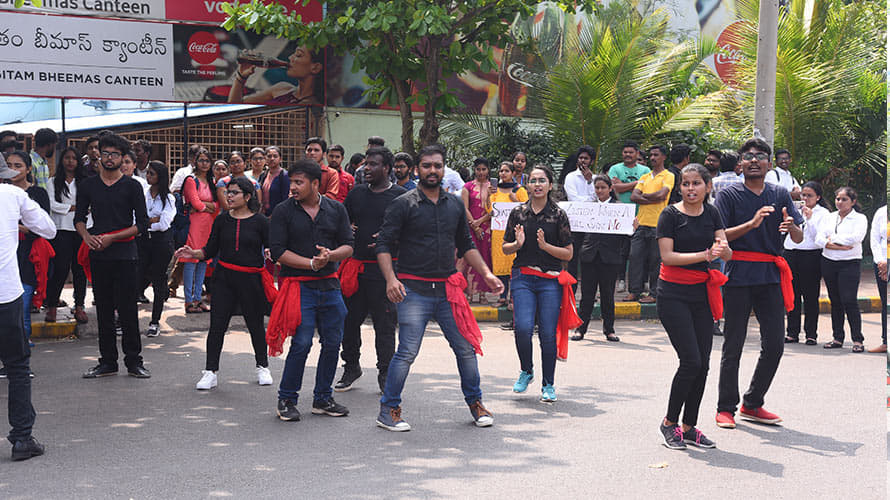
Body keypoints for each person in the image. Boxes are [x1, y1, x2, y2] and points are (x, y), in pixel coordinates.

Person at [374, 144, 503, 432]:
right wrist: (391, 280)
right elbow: (383, 244)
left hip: (448, 291)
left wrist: (486, 273)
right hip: (413, 291)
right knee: (406, 352)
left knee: (465, 349)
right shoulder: (403, 203)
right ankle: (389, 409)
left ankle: (476, 403)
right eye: (427, 165)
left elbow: (466, 245)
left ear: (444, 169)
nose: (433, 170)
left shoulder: (456, 204)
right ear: (418, 168)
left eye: (438, 165)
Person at [714, 137, 803, 429]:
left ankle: (752, 403)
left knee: (775, 344)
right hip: (738, 272)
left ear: (768, 163)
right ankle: (725, 407)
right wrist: (751, 224)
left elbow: (798, 235)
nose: (754, 160)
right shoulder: (728, 194)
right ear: (740, 164)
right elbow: (721, 235)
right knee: (734, 344)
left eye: (760, 155)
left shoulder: (780, 193)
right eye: (748, 156)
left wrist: (791, 227)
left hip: (770, 275)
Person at [269, 160, 354, 422]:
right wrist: (310, 263)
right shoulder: (283, 211)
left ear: (316, 184)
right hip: (298, 287)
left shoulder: (336, 209)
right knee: (302, 343)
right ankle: (287, 399)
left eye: (299, 182)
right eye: (292, 182)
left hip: (330, 286)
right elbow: (278, 251)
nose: (293, 187)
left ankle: (322, 398)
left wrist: (329, 257)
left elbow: (349, 245)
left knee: (332, 342)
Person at [656, 164, 730, 450]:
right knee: (691, 361)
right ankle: (669, 423)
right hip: (672, 294)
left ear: (707, 186)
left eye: (696, 183)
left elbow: (725, 250)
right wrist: (704, 254)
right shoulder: (670, 214)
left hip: (702, 294)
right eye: (685, 184)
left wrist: (724, 250)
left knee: (703, 365)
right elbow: (668, 256)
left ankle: (689, 427)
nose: (690, 189)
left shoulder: (712, 213)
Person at [175, 177, 274, 390]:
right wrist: (193, 252)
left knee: (255, 325)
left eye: (235, 193)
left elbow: (272, 246)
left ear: (247, 197)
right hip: (224, 279)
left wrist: (271, 252)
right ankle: (210, 372)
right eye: (228, 192)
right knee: (217, 326)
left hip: (251, 280)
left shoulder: (260, 222)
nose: (229, 196)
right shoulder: (221, 220)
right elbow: (210, 250)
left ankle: (262, 366)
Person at [75, 132, 151, 379]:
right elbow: (79, 219)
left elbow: (141, 224)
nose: (108, 158)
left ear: (123, 157)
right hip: (98, 254)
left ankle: (134, 361)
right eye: (104, 153)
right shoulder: (88, 185)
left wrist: (112, 237)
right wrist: (87, 237)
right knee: (104, 310)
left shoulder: (132, 186)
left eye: (114, 154)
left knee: (128, 309)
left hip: (126, 253)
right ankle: (107, 362)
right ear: (98, 156)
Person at [335, 147, 407, 393]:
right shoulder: (356, 194)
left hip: (385, 272)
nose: (366, 168)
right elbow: (341, 221)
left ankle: (385, 372)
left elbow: (413, 230)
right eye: (366, 164)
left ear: (386, 168)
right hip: (355, 268)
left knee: (384, 325)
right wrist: (348, 230)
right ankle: (351, 366)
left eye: (373, 164)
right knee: (348, 321)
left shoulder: (401, 196)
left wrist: (394, 239)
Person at [502, 165, 575, 402]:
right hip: (523, 277)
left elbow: (568, 254)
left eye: (542, 180)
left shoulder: (558, 214)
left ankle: (548, 384)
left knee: (546, 333)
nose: (537, 185)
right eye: (533, 181)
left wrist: (546, 248)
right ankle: (526, 370)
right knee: (522, 328)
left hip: (550, 281)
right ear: (528, 185)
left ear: (550, 185)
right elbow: (505, 247)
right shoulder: (518, 212)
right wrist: (517, 245)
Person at [0, 154, 55, 461]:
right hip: (5, 295)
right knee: (18, 367)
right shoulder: (12, 194)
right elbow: (48, 229)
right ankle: (22, 439)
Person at [6, 151, 51, 350]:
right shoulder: (3, 192)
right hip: (6, 255)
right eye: (9, 165)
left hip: (28, 255)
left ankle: (21, 355)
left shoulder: (38, 194)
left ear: (29, 169)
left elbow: (42, 229)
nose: (13, 170)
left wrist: (16, 226)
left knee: (22, 306)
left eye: (18, 166)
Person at [816, 187, 868, 352]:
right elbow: (818, 238)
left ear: (853, 201)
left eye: (844, 199)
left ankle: (858, 340)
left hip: (849, 262)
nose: (840, 202)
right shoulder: (829, 217)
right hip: (829, 261)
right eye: (838, 199)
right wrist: (835, 245)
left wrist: (831, 239)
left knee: (849, 300)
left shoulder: (860, 218)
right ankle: (837, 338)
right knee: (835, 301)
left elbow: (856, 238)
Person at [573, 175, 624, 342]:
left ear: (610, 188)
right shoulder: (589, 207)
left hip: (610, 257)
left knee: (608, 295)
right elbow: (579, 233)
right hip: (589, 256)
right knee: (587, 295)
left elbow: (626, 235)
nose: (600, 191)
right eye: (597, 188)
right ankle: (580, 329)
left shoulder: (619, 208)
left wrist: (633, 227)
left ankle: (609, 330)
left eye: (603, 187)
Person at [45, 147, 89, 325]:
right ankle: (52, 306)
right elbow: (52, 204)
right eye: (67, 158)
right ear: (62, 160)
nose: (70, 161)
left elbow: (89, 204)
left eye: (74, 158)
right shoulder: (53, 181)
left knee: (80, 269)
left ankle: (79, 306)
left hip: (81, 229)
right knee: (60, 269)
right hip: (61, 229)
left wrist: (77, 209)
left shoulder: (84, 182)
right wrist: (73, 207)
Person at [627, 144, 674, 303]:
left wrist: (644, 197)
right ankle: (634, 291)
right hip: (640, 223)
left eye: (656, 155)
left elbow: (663, 195)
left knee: (655, 260)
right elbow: (633, 196)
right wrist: (652, 198)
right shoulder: (645, 176)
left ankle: (654, 294)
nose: (653, 158)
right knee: (635, 258)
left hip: (659, 224)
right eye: (651, 155)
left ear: (664, 157)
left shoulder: (668, 176)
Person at [783, 181, 830, 344]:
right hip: (791, 252)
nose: (805, 198)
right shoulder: (794, 209)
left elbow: (819, 237)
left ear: (818, 197)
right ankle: (792, 332)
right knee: (792, 294)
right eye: (803, 195)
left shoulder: (823, 213)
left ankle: (811, 333)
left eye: (809, 195)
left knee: (810, 295)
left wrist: (809, 219)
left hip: (811, 254)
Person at [180, 148, 219, 314]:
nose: (204, 164)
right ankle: (189, 301)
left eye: (207, 161)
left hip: (207, 224)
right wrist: (207, 207)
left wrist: (206, 207)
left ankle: (198, 299)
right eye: (201, 160)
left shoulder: (212, 182)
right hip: (193, 224)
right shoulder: (191, 180)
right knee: (191, 260)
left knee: (203, 259)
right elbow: (195, 203)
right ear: (195, 162)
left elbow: (218, 205)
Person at [139, 161, 176, 338]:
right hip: (144, 241)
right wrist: (150, 220)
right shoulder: (143, 194)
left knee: (158, 281)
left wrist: (148, 222)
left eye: (152, 173)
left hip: (162, 243)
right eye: (148, 173)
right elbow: (137, 218)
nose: (148, 177)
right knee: (139, 278)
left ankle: (155, 321)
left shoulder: (168, 198)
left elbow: (163, 223)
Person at [608, 141, 650, 293]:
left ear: (637, 154)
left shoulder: (645, 169)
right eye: (625, 152)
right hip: (620, 215)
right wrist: (637, 183)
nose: (627, 155)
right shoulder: (615, 168)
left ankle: (643, 281)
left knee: (641, 252)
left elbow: (645, 189)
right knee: (621, 250)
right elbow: (614, 188)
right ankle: (620, 280)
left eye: (631, 152)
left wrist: (624, 185)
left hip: (641, 215)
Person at [491, 162, 528, 317]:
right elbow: (490, 209)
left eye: (506, 171)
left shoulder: (519, 190)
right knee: (500, 267)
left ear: (513, 173)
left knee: (513, 266)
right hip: (498, 233)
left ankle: (514, 298)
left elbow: (527, 208)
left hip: (513, 232)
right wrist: (488, 196)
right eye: (501, 171)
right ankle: (502, 297)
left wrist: (514, 200)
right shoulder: (495, 190)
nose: (503, 174)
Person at [228, 45, 323, 105]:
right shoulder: (282, 88)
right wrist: (241, 76)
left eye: (298, 55)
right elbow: (235, 106)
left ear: (315, 68)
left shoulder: (313, 105)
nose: (290, 57)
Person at [563, 146, 597, 289]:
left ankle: (588, 290)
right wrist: (588, 200)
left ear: (591, 161)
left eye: (586, 158)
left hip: (591, 223)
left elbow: (596, 197)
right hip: (574, 222)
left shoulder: (595, 179)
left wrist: (589, 182)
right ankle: (572, 289)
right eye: (581, 158)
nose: (583, 161)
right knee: (573, 256)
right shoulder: (570, 177)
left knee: (588, 258)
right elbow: (573, 198)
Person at [461, 158, 494, 302]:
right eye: (478, 169)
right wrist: (475, 226)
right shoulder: (467, 186)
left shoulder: (493, 188)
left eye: (484, 169)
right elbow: (464, 207)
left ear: (488, 170)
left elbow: (495, 209)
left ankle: (482, 295)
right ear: (474, 170)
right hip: (470, 227)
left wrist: (480, 223)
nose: (481, 172)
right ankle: (468, 293)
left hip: (487, 228)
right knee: (469, 259)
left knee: (485, 259)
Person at [869, 204, 887, 353]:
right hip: (882, 263)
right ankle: (886, 342)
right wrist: (881, 261)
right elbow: (874, 239)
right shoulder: (881, 212)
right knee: (886, 302)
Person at [258, 146, 289, 217]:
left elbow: (286, 200)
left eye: (275, 156)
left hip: (279, 215)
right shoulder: (263, 175)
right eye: (269, 156)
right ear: (265, 159)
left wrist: (274, 216)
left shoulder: (284, 176)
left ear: (280, 159)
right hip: (264, 215)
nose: (272, 159)